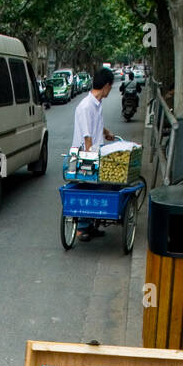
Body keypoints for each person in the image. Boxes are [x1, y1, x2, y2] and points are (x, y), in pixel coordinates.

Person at [70, 67, 115, 241]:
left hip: (95, 152)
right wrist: (91, 159)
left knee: (97, 187)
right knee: (88, 188)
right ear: (105, 86)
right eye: (110, 87)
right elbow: (87, 137)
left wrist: (106, 132)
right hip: (84, 155)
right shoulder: (86, 107)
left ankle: (91, 225)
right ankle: (82, 227)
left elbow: (97, 125)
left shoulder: (97, 105)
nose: (110, 90)